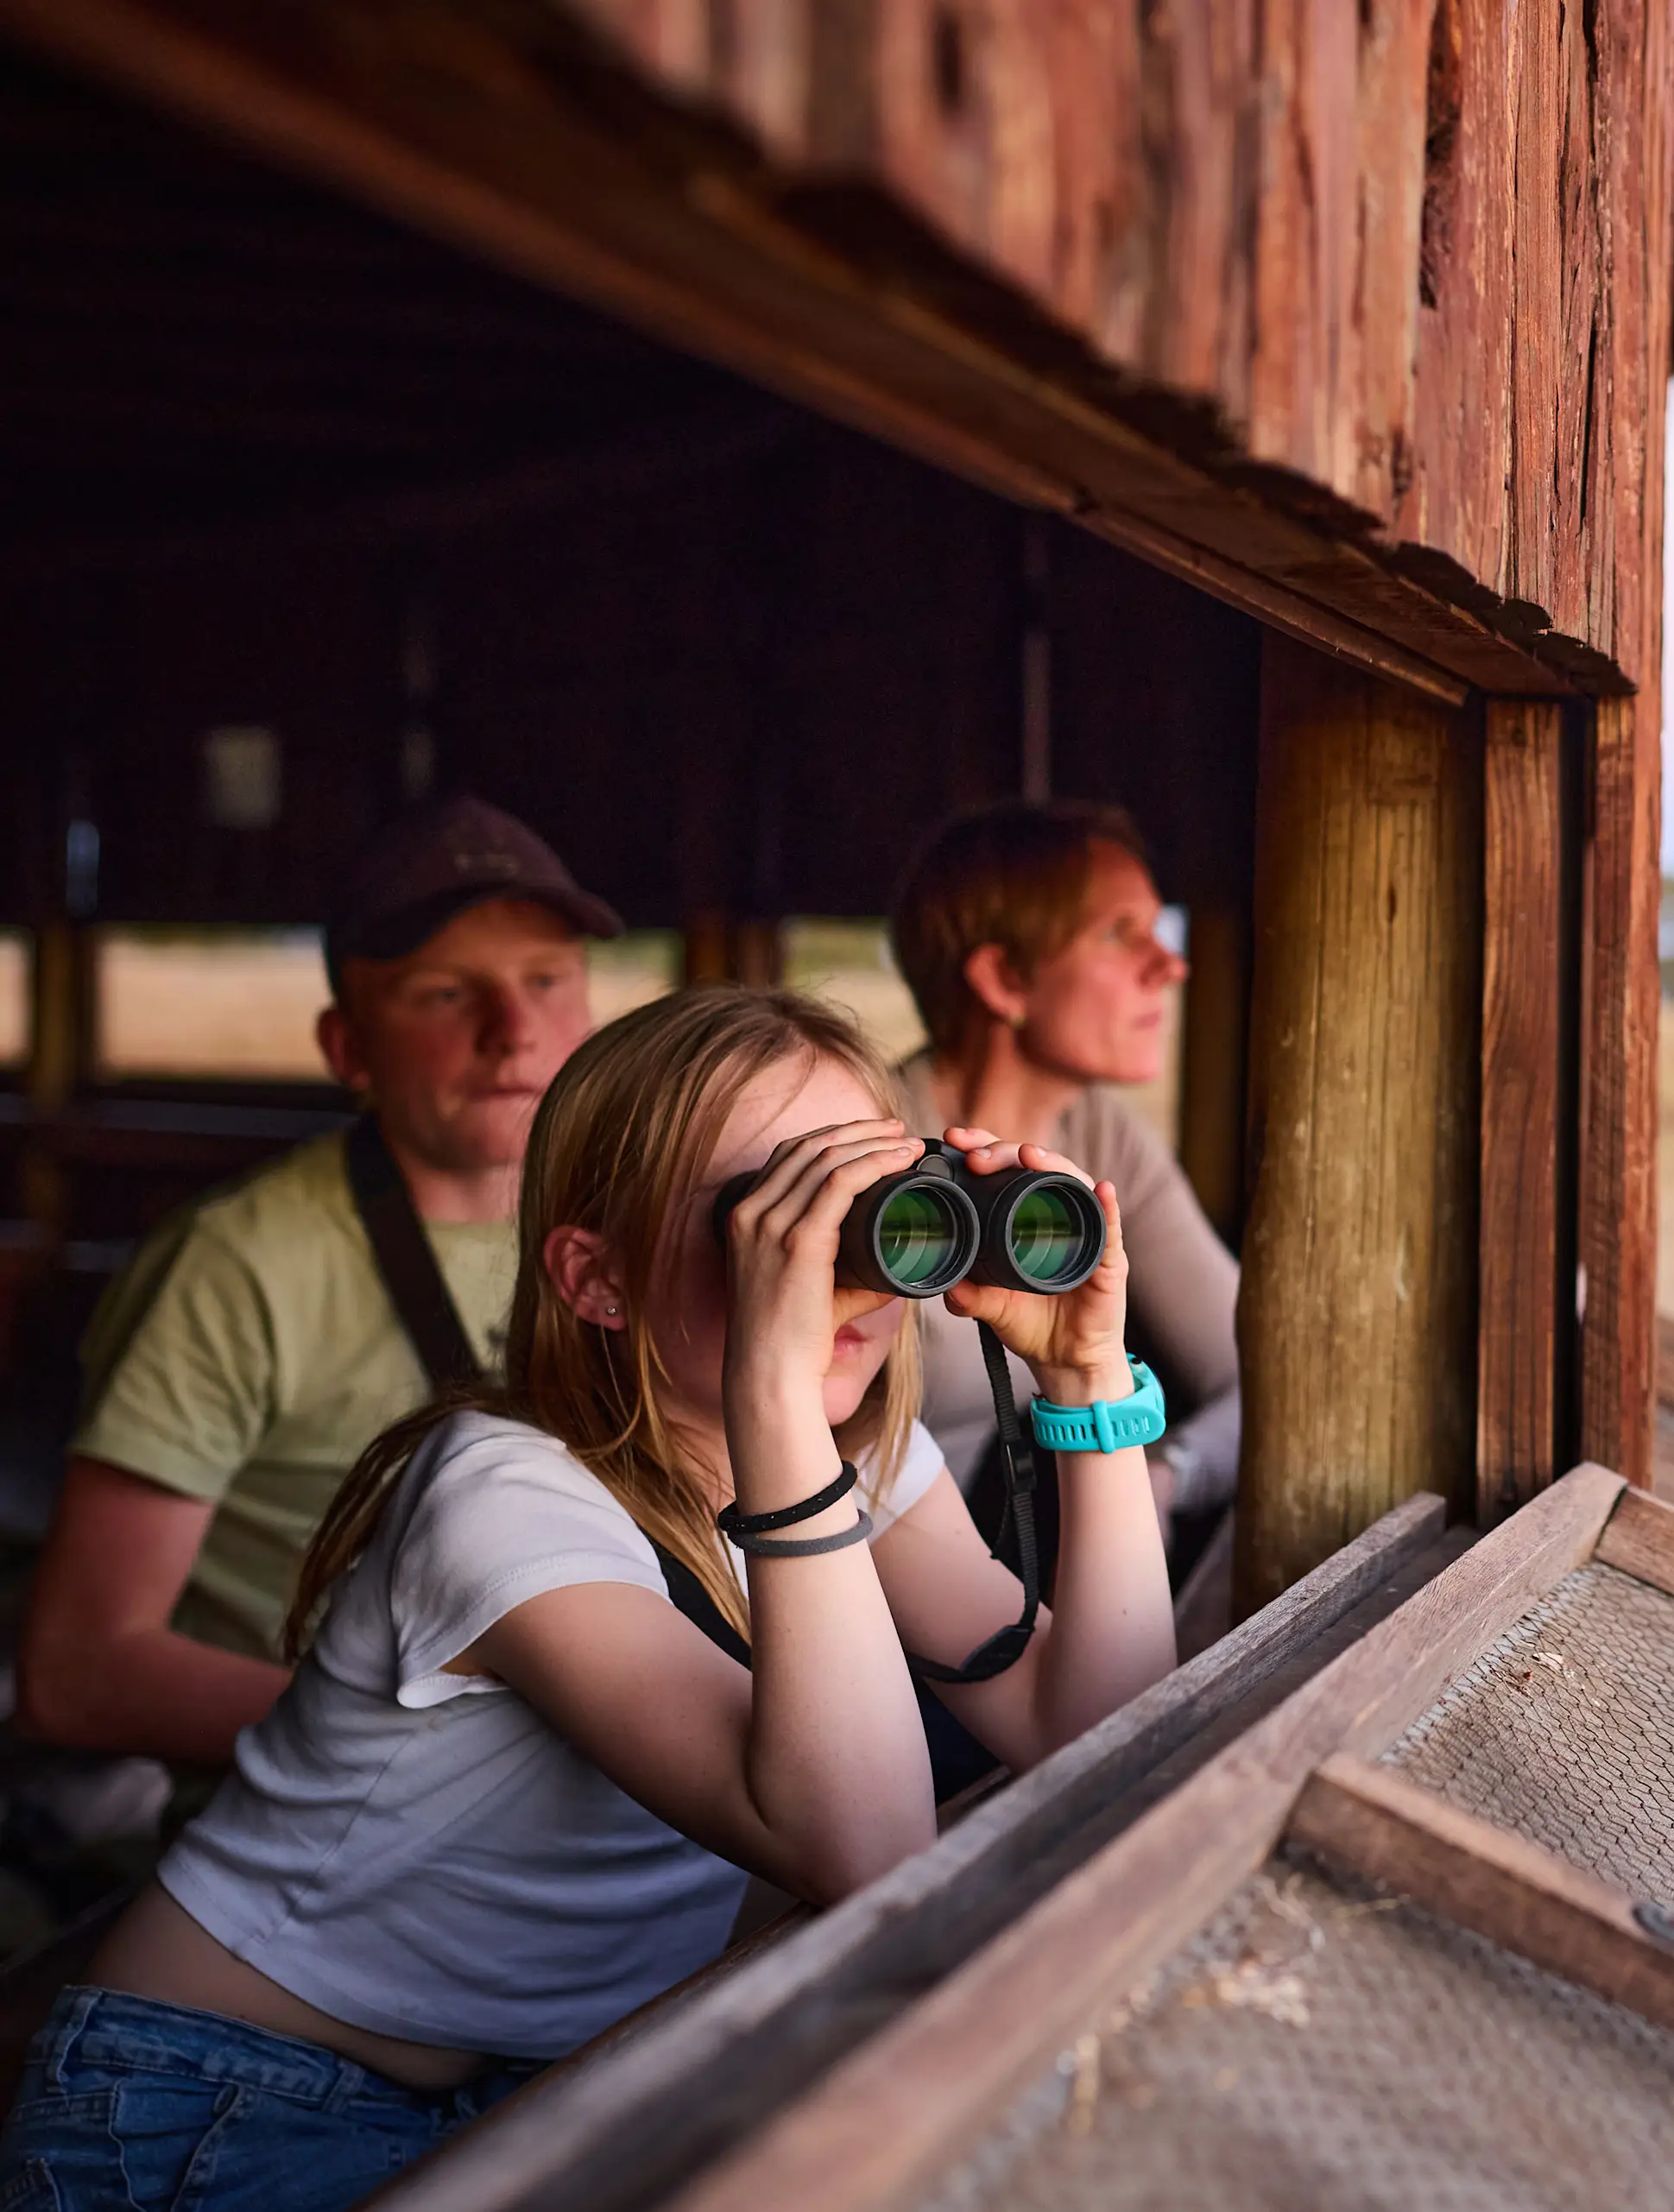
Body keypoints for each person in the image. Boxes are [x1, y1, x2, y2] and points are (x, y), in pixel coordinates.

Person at [0, 987, 1178, 2210]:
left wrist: (1088, 1374)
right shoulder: (500, 1495)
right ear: (597, 1277)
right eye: (774, 1210)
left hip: (543, 2081)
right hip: (213, 2101)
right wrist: (775, 1396)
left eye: (871, 1199)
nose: (826, 1255)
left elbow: (1102, 1722)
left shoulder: (855, 1460)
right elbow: (869, 1849)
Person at [17, 798, 618, 1768]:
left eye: (546, 980)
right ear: (347, 1049)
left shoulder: (631, 1225)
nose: (514, 1032)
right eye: (444, 995)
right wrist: (438, 1754)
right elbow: (79, 1672)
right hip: (339, 1830)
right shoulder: (235, 1267)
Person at [886, 803, 1239, 1549]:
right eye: (1120, 934)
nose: (1171, 965)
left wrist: (1165, 1476)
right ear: (1005, 979)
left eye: (1158, 928)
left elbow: (1257, 1372)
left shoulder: (1100, 1136)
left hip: (1012, 1574)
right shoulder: (881, 1155)